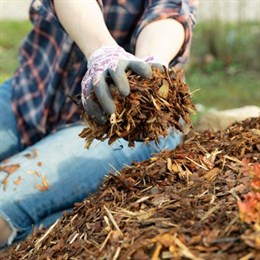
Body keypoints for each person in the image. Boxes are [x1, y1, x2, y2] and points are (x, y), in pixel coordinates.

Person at [0, 0, 198, 247]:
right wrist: (103, 52)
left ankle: (54, 228)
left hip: (119, 126)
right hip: (30, 93)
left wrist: (151, 63)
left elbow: (169, 12)